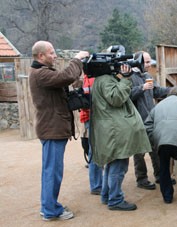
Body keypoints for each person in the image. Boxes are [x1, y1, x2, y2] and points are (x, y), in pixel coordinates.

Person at [29, 41, 89, 221]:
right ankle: (50, 210)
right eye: (51, 53)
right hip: (52, 130)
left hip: (52, 129)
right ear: (41, 56)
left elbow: (66, 80)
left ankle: (47, 205)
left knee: (50, 170)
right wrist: (77, 60)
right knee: (52, 171)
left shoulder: (43, 73)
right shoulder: (41, 74)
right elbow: (65, 77)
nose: (54, 56)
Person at [90, 64, 152, 211]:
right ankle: (115, 200)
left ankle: (107, 196)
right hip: (115, 130)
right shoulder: (106, 80)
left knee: (112, 164)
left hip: (112, 128)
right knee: (118, 166)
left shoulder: (102, 79)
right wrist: (125, 79)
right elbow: (116, 98)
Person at [130, 51, 174, 190]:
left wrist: (172, 90)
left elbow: (156, 91)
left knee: (155, 149)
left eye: (150, 62)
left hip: (151, 120)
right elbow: (127, 96)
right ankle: (141, 179)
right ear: (138, 62)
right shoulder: (129, 77)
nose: (149, 65)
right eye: (147, 62)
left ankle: (160, 176)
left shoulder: (147, 76)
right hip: (137, 121)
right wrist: (141, 88)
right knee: (139, 152)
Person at [79, 74, 103, 195]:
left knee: (95, 150)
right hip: (95, 118)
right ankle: (97, 185)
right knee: (95, 151)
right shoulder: (93, 79)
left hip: (90, 118)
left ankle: (98, 183)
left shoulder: (87, 78)